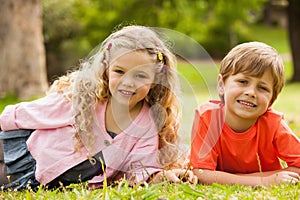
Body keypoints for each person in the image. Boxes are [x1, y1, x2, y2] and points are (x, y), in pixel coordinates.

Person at [0, 25, 196, 190]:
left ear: (155, 80)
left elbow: (141, 171)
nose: (128, 82)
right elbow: (32, 113)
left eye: (140, 76)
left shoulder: (146, 126)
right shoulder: (85, 99)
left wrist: (162, 177)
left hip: (35, 180)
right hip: (24, 151)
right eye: (119, 71)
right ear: (107, 70)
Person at [190, 41, 300, 187]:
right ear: (221, 85)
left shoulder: (274, 123)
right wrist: (264, 181)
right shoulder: (208, 118)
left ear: (271, 100)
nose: (251, 92)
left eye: (262, 88)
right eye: (243, 81)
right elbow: (201, 173)